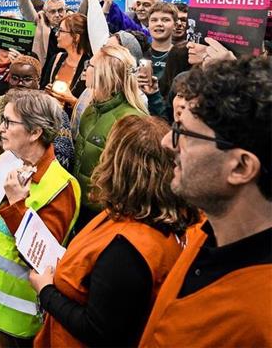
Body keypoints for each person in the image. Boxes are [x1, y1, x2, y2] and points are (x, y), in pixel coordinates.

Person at [30, 115, 199, 347]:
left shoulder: (127, 251)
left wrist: (46, 291)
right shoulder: (149, 216)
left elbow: (99, 331)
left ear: (119, 165)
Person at [140, 57, 272, 347]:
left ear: (240, 167)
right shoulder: (206, 231)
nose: (166, 143)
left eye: (183, 132)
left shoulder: (261, 320)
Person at [0, 89, 80, 346]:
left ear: (35, 132)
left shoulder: (61, 186)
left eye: (9, 122)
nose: (0, 128)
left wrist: (16, 205)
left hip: (10, 322)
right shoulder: (3, 160)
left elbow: (42, 258)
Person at [73, 44, 148, 230]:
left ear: (103, 74)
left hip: (106, 215)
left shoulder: (131, 120)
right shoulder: (91, 108)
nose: (85, 69)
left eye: (90, 65)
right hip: (81, 206)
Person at [0, 55, 74, 171]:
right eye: (14, 78)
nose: (20, 83)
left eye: (27, 79)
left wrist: (16, 154)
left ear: (38, 81)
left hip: (38, 177)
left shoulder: (52, 109)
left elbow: (63, 155)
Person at [14, 0, 66, 64]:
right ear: (45, 12)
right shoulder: (39, 22)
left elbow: (84, 11)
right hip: (44, 72)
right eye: (52, 11)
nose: (57, 15)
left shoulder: (72, 22)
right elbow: (25, 7)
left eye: (60, 10)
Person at [41, 13, 92, 113]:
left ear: (76, 37)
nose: (56, 34)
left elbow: (93, 109)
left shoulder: (91, 66)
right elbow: (42, 87)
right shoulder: (56, 58)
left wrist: (71, 100)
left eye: (61, 31)